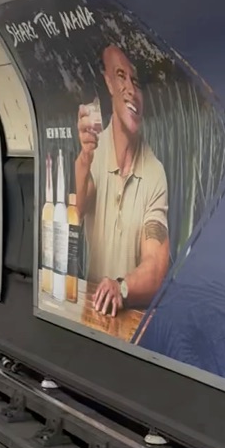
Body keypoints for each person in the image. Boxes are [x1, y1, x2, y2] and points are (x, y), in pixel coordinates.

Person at [75, 44, 169, 317]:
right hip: (89, 311)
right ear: (107, 83)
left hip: (129, 319)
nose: (130, 89)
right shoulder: (91, 155)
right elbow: (75, 211)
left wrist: (121, 288)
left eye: (136, 82)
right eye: (120, 76)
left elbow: (156, 267)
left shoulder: (155, 173)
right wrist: (83, 160)